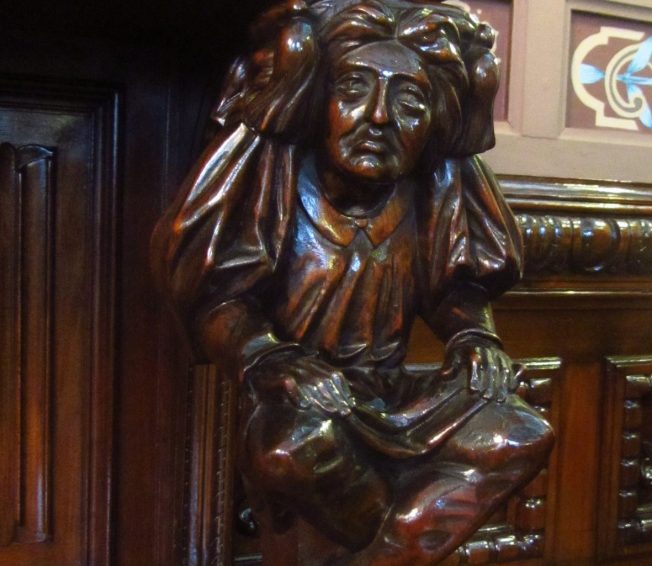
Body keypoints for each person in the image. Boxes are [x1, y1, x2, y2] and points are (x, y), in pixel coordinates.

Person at [152, 1, 553, 563]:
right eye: (354, 89)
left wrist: (473, 335)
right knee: (291, 448)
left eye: (409, 102)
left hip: (395, 398)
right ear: (318, 100)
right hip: (305, 400)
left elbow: (454, 288)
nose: (380, 117)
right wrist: (269, 357)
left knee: (520, 433)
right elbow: (222, 300)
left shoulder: (430, 187)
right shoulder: (278, 182)